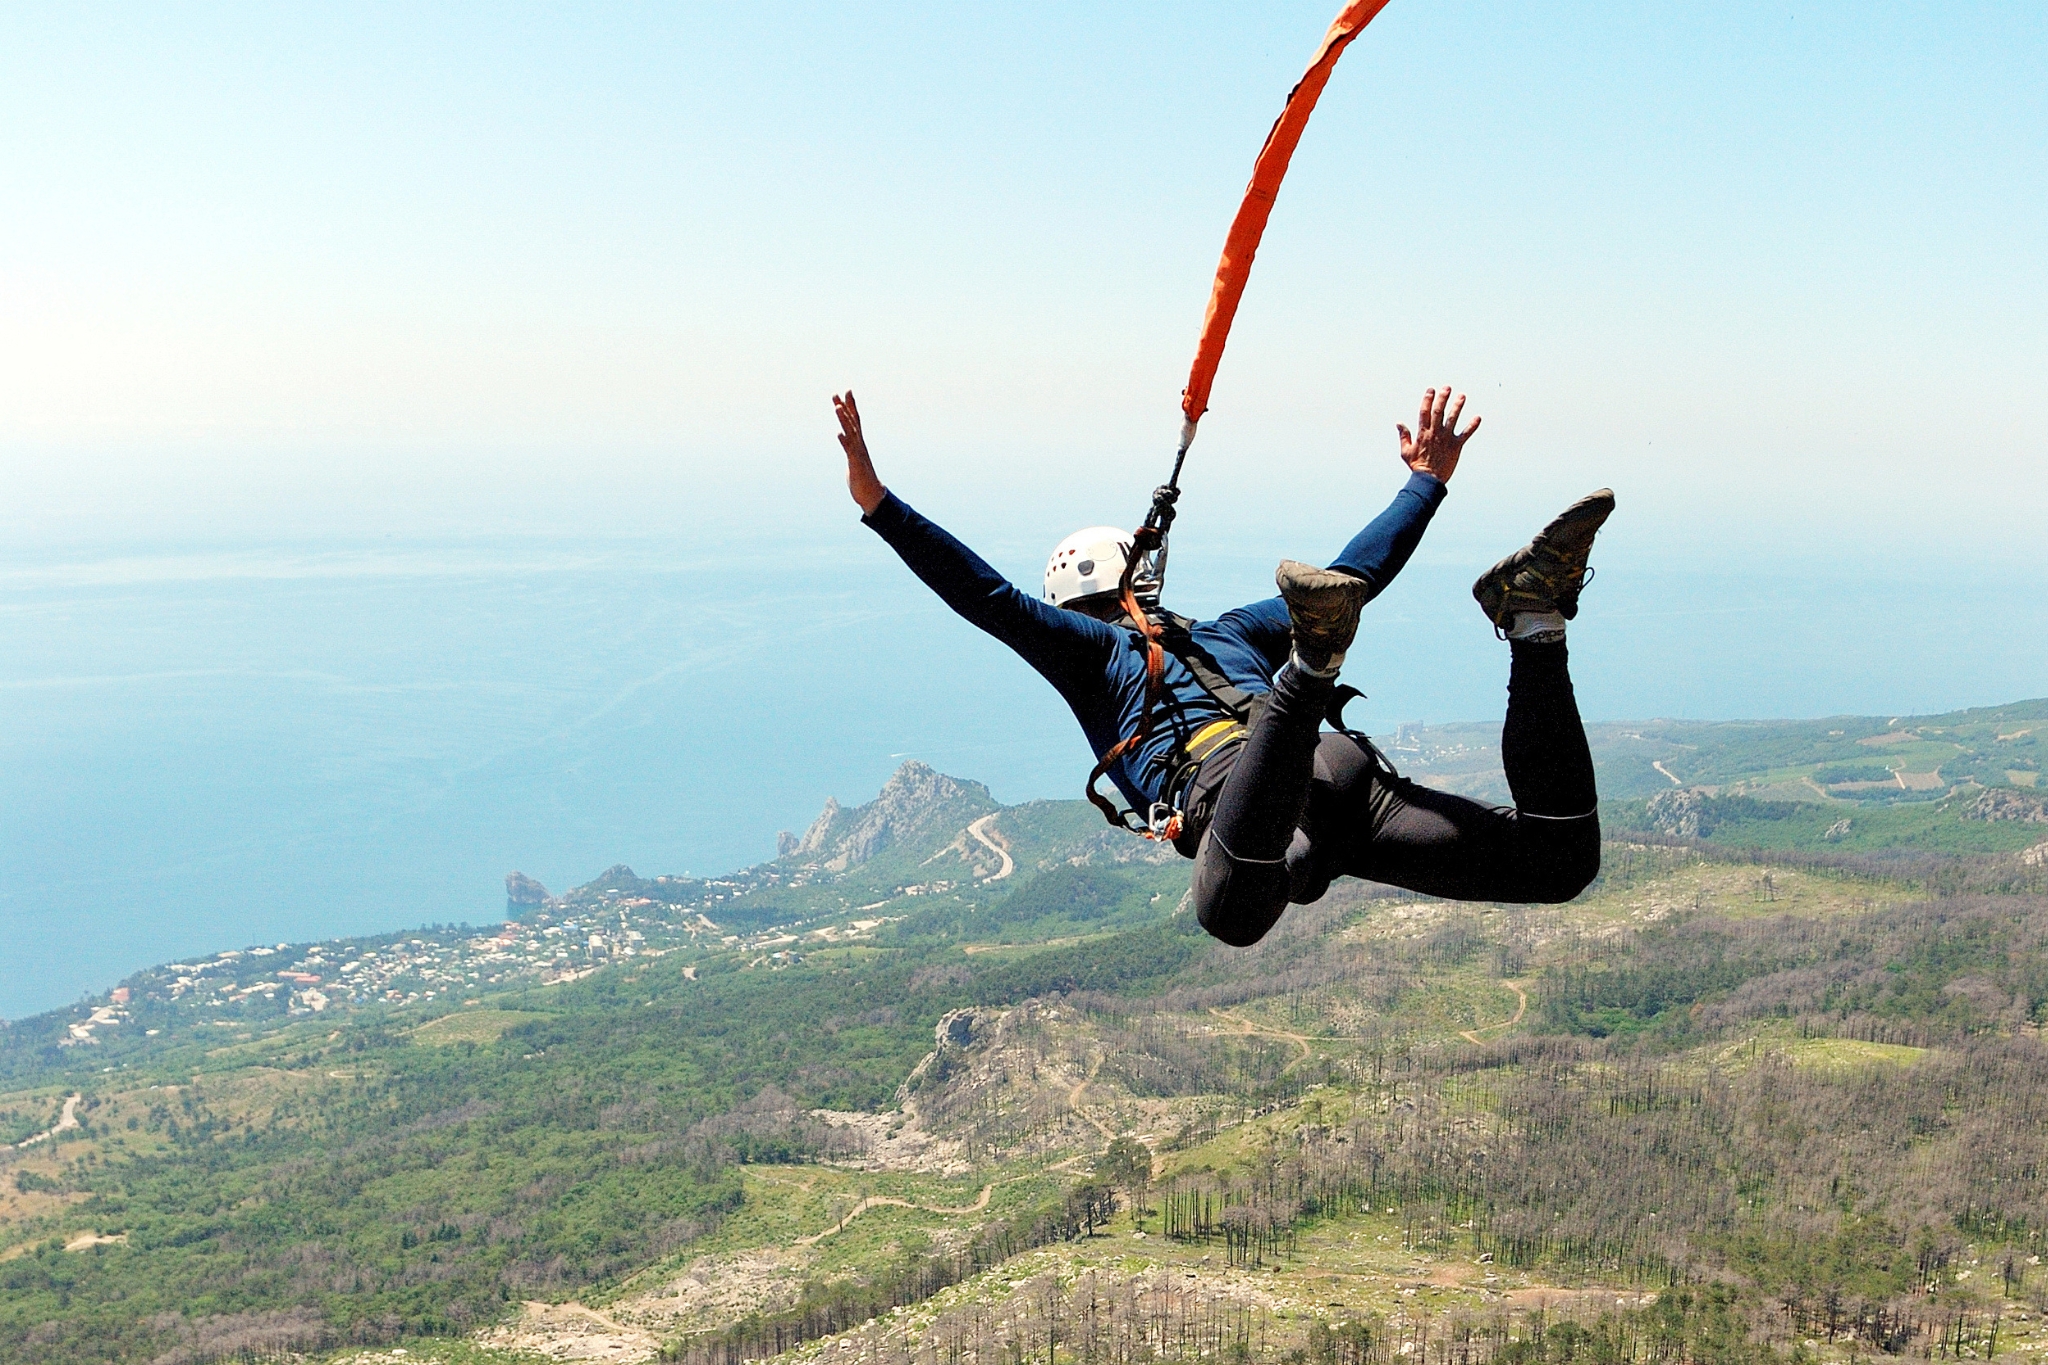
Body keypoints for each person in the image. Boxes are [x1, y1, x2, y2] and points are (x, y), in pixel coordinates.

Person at [833, 386, 1609, 947]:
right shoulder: (1227, 632)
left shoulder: (1090, 651)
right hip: (1338, 780)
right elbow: (1356, 576)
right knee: (1557, 861)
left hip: (1241, 788)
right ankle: (1534, 620)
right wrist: (1424, 482)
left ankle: (1307, 674)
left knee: (1231, 914)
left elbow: (988, 597)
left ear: (1073, 602)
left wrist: (878, 505)